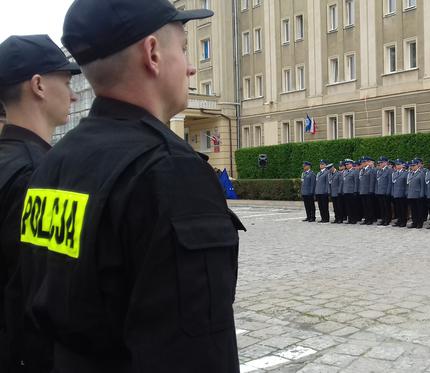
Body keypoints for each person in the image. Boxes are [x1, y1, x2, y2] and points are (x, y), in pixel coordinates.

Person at [16, 1, 246, 371]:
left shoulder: (55, 162)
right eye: (184, 50)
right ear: (152, 53)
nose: (190, 67)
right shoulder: (170, 172)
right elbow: (194, 352)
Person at [0, 34, 80, 373]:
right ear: (38, 85)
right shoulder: (41, 174)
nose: (74, 93)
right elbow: (44, 294)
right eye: (65, 80)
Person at [406, 159, 426, 229]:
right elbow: (408, 185)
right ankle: (414, 222)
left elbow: (423, 185)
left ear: (418, 165)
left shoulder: (421, 173)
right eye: (411, 166)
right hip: (411, 194)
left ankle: (419, 223)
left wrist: (422, 194)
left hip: (418, 194)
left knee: (419, 210)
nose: (412, 167)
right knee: (413, 210)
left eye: (414, 165)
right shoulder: (410, 173)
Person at [374, 156, 393, 226]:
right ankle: (383, 219)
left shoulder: (389, 170)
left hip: (385, 192)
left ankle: (387, 219)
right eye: (379, 162)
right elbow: (377, 182)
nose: (380, 164)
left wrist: (388, 192)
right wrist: (376, 191)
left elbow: (389, 182)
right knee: (381, 206)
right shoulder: (379, 170)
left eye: (381, 162)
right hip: (380, 191)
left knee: (386, 206)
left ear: (386, 162)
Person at [358, 157, 377, 225]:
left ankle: (370, 219)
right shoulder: (362, 170)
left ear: (367, 162)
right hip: (363, 191)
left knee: (369, 206)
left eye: (363, 162)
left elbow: (372, 181)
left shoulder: (370, 170)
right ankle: (366, 219)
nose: (362, 164)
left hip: (368, 191)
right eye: (362, 162)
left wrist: (371, 190)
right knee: (365, 206)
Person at [391, 160, 409, 227]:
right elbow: (393, 184)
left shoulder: (405, 173)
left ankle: (403, 221)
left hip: (402, 194)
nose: (398, 166)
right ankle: (399, 220)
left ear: (402, 165)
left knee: (403, 208)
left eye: (399, 164)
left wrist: (406, 193)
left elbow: (407, 185)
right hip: (396, 193)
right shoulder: (394, 173)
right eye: (397, 165)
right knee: (397, 208)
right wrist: (393, 192)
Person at [342, 159, 360, 224]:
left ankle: (354, 219)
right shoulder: (345, 172)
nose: (347, 165)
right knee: (348, 206)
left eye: (348, 164)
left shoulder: (355, 172)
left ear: (351, 164)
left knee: (353, 206)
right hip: (346, 191)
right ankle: (349, 219)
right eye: (346, 164)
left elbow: (356, 182)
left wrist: (355, 191)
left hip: (352, 191)